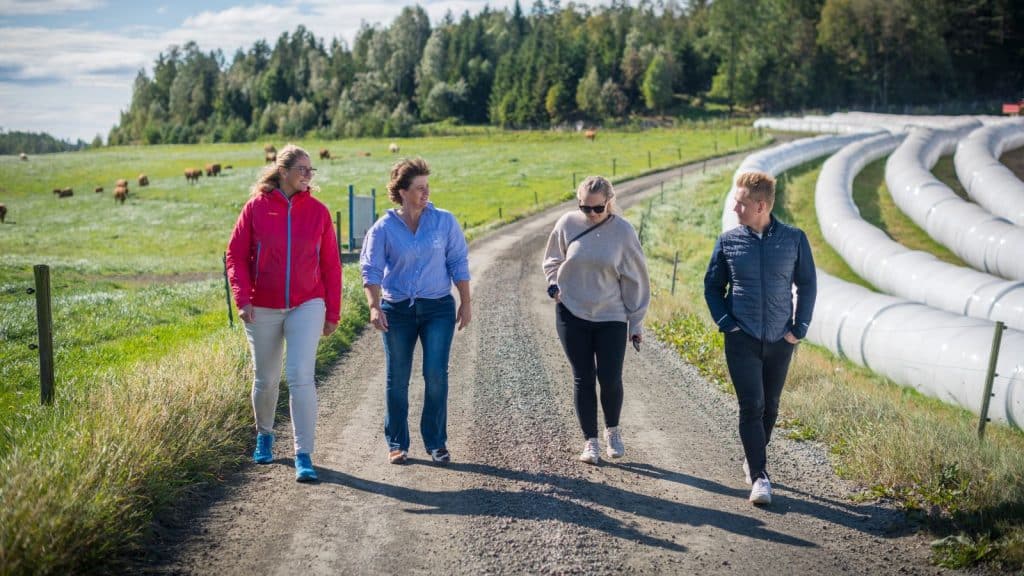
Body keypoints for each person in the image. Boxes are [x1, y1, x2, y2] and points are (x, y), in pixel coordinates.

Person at [226, 143, 342, 483]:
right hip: (262, 305)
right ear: (284, 172)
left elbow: (331, 266)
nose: (309, 175)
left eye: (311, 170)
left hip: (308, 303)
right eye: (302, 169)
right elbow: (235, 255)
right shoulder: (256, 209)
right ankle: (264, 434)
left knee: (300, 375)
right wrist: (242, 298)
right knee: (266, 379)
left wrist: (332, 311)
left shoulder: (319, 213)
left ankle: (303, 455)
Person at [703, 170, 816, 505]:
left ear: (761, 206)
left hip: (781, 339)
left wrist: (799, 329)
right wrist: (726, 323)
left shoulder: (794, 239)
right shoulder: (728, 242)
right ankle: (760, 477)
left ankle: (753, 458)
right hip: (743, 338)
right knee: (751, 405)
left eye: (740, 204)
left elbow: (807, 284)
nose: (735, 210)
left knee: (770, 407)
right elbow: (712, 287)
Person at [360, 157, 471, 465]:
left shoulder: (444, 221)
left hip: (438, 308)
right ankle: (397, 442)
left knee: (435, 375)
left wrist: (466, 301)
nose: (425, 193)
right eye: (419, 188)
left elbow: (458, 261)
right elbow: (371, 269)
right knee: (398, 378)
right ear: (403, 192)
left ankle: (436, 441)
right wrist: (373, 306)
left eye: (427, 187)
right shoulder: (383, 228)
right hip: (397, 311)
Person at [542, 176, 650, 465]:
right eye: (584, 208)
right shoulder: (566, 223)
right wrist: (553, 283)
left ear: (609, 202)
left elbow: (635, 279)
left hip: (611, 316)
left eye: (597, 209)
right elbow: (552, 260)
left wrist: (636, 322)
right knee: (583, 377)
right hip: (571, 312)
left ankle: (612, 431)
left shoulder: (623, 232)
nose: (590, 214)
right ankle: (590, 442)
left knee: (610, 378)